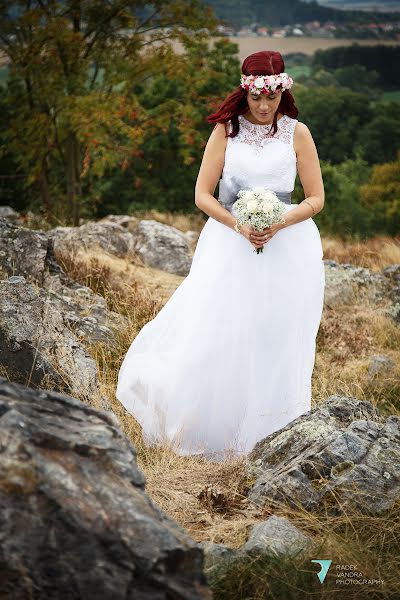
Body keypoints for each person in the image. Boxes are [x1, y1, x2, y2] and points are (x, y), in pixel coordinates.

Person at [116, 50, 325, 462]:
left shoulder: (298, 133)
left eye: (271, 98)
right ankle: (215, 428)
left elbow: (316, 199)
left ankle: (270, 430)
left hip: (290, 247)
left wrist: (280, 222)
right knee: (224, 329)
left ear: (282, 92)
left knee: (275, 334)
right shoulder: (226, 132)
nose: (264, 107)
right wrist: (240, 226)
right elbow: (201, 195)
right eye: (256, 99)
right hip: (230, 242)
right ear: (245, 94)